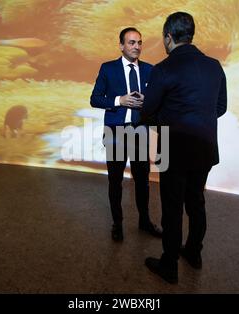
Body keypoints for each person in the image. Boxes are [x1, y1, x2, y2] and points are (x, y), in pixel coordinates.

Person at [141, 12, 227, 284]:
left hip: (172, 148)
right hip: (204, 148)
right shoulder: (214, 66)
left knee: (172, 207)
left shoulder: (163, 69)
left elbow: (148, 112)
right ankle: (194, 253)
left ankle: (169, 265)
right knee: (196, 202)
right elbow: (221, 107)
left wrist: (166, 118)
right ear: (191, 35)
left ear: (168, 36)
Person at [90, 27, 162, 242]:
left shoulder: (150, 70)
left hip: (140, 131)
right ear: (121, 45)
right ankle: (117, 223)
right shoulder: (108, 69)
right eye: (131, 42)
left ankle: (144, 221)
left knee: (142, 181)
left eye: (139, 42)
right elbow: (95, 99)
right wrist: (118, 101)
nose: (136, 46)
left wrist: (146, 102)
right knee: (115, 181)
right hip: (116, 132)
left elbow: (158, 100)